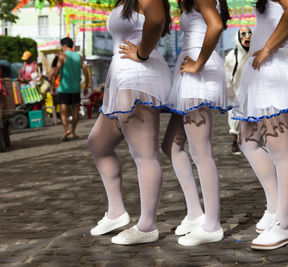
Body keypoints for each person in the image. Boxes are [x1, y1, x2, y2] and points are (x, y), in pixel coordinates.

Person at [232, 0, 288, 250]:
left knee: (281, 150)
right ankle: (274, 207)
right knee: (248, 142)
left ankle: (283, 224)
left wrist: (267, 48)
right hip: (262, 67)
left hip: (273, 66)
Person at [87, 0, 172, 245]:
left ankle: (147, 226)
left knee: (144, 154)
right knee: (98, 144)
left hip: (137, 78)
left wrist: (142, 53)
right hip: (121, 77)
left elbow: (156, 19)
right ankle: (116, 212)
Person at [161, 0, 230, 246]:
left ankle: (212, 225)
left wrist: (198, 63)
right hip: (190, 74)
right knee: (170, 145)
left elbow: (216, 25)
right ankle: (195, 213)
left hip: (197, 75)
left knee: (201, 153)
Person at [51, 38, 89, 141]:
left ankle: (67, 130)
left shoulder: (62, 56)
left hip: (64, 88)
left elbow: (57, 71)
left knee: (64, 112)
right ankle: (73, 132)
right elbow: (85, 72)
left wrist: (52, 85)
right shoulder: (79, 56)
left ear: (63, 46)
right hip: (76, 89)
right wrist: (86, 86)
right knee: (75, 111)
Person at [225, 27, 252, 155]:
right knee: (235, 117)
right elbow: (227, 73)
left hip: (250, 90)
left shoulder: (254, 54)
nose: (247, 36)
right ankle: (235, 142)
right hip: (236, 90)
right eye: (244, 34)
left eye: (249, 33)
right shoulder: (232, 56)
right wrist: (228, 87)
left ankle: (248, 142)